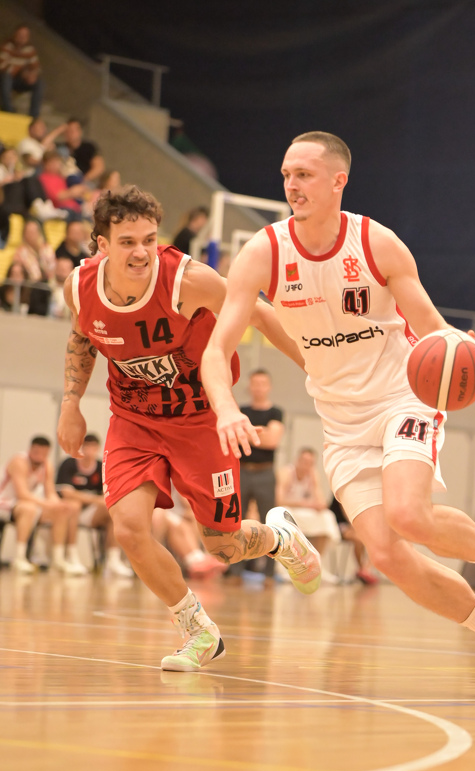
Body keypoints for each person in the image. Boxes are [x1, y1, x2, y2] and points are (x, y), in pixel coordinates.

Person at [201, 130, 475, 699]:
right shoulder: (263, 253)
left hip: (403, 395)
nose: (291, 185)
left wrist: (463, 350)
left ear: (338, 180)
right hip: (340, 421)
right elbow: (216, 348)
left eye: (303, 175)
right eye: (286, 175)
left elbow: (429, 324)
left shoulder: (377, 243)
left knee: (409, 515)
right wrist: (226, 406)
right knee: (387, 556)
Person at [56, 184, 321, 673]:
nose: (141, 252)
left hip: (201, 419)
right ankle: (198, 630)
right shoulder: (78, 286)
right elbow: (81, 336)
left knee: (223, 546)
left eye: (149, 239)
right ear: (102, 244)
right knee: (129, 528)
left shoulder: (187, 280)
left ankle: (279, 538)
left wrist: (318, 370)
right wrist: (71, 403)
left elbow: (260, 313)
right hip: (134, 420)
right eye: (128, 242)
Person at [226, 368, 284, 584]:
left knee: (270, 522)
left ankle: (269, 573)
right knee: (235, 522)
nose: (258, 388)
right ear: (249, 386)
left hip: (265, 473)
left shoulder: (276, 412)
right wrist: (261, 433)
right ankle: (235, 571)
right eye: (255, 383)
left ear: (269, 387)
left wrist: (245, 432)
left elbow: (272, 441)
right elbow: (235, 436)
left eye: (262, 384)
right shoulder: (241, 411)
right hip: (241, 472)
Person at [0, 436, 87, 574]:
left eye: (43, 453)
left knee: (61, 510)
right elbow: (22, 494)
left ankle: (58, 559)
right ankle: (19, 558)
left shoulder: (47, 465)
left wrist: (58, 505)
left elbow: (50, 493)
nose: (39, 456)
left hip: (29, 503)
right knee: (28, 508)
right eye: (36, 452)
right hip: (5, 502)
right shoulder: (19, 462)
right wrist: (47, 504)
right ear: (30, 449)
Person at [56, 432, 133, 577]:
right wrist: (94, 499)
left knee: (112, 510)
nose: (89, 451)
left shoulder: (101, 467)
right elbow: (67, 493)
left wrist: (98, 500)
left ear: (98, 449)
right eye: (87, 447)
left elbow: (107, 494)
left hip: (89, 513)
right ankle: (71, 555)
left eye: (93, 447)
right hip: (69, 512)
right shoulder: (69, 464)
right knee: (74, 505)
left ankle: (113, 559)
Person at [276, 447, 341, 581]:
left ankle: (315, 565)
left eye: (310, 463)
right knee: (284, 516)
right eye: (304, 462)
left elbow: (321, 501)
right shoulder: (286, 473)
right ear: (297, 460)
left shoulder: (313, 475)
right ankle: (284, 567)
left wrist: (319, 505)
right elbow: (279, 501)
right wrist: (305, 504)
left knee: (327, 517)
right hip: (287, 510)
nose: (307, 465)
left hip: (303, 512)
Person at [329, 494, 378, 585]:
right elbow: (346, 512)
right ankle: (363, 569)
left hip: (352, 525)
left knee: (375, 540)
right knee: (359, 539)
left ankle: (365, 569)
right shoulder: (343, 493)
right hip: (338, 525)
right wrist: (355, 526)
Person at [0, 25, 43, 118]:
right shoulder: (7, 46)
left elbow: (36, 67)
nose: (22, 37)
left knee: (39, 83)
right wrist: (20, 70)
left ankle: (33, 116)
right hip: (5, 79)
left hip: (20, 80)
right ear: (15, 34)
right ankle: (7, 109)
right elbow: (2, 66)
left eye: (25, 35)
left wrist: (32, 75)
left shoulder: (30, 49)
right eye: (20, 34)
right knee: (6, 77)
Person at [12, 219, 56, 285]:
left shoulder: (47, 249)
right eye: (28, 232)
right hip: (30, 286)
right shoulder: (20, 252)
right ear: (24, 234)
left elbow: (53, 269)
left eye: (33, 232)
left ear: (39, 232)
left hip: (49, 285)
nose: (31, 235)